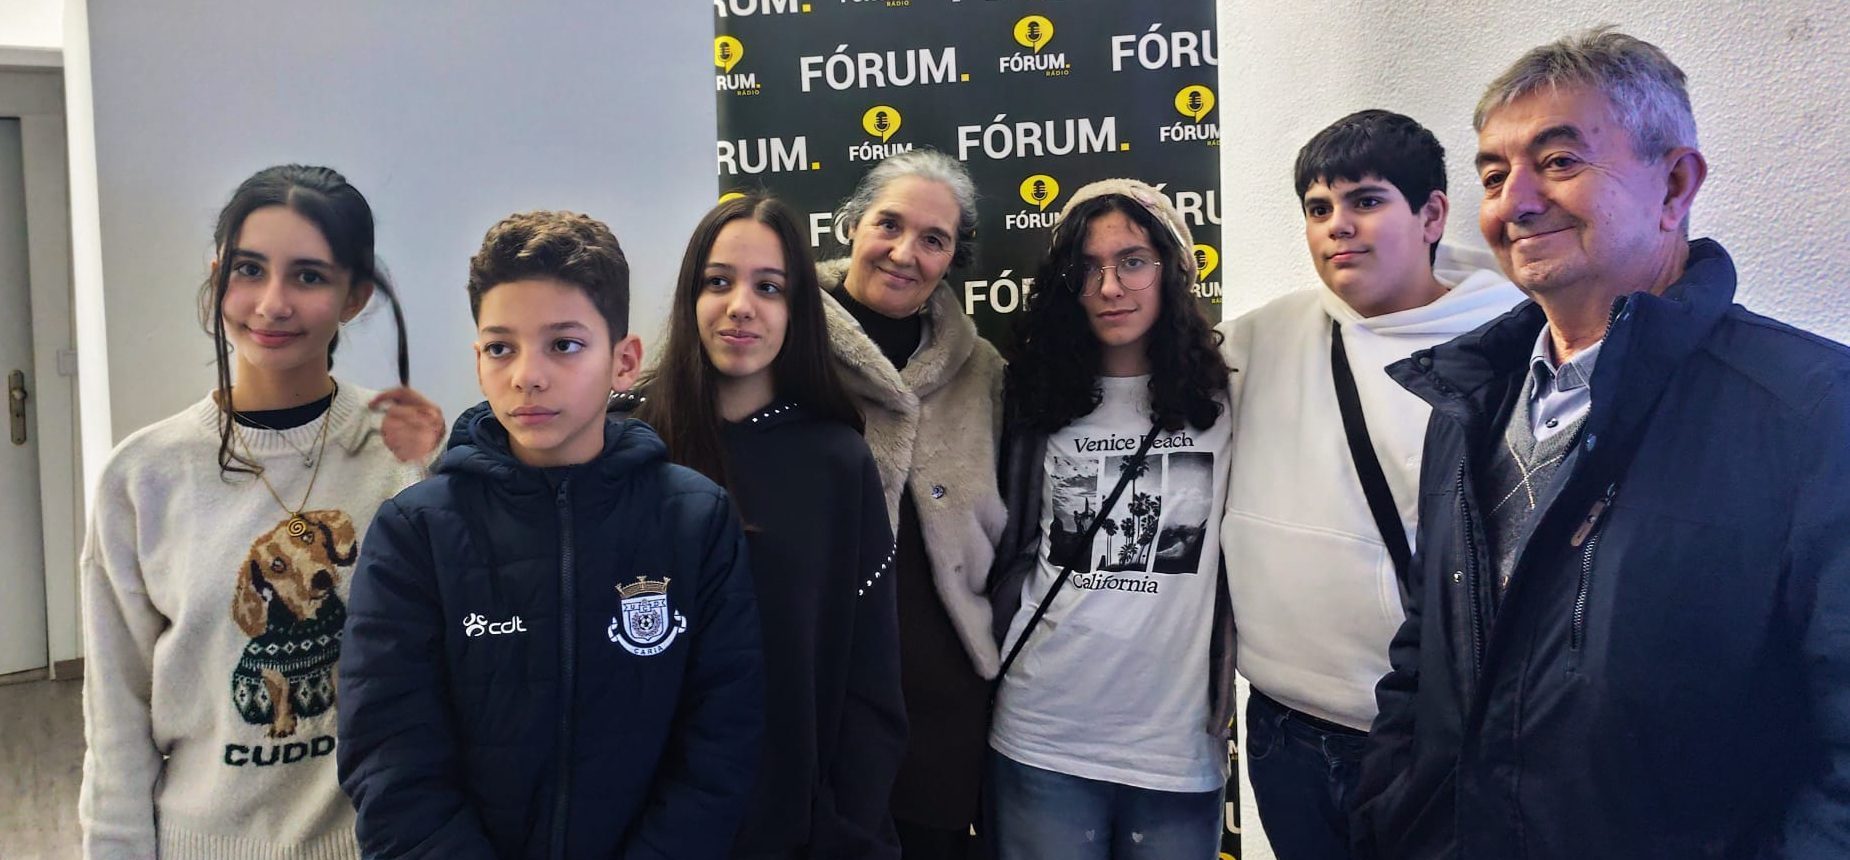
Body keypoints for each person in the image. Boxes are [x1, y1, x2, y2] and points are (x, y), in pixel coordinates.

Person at [1352, 27, 1850, 859]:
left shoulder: (1814, 412)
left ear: (1675, 184)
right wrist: (1393, 812)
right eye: (1493, 176)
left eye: (1558, 162)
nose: (1515, 204)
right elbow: (1425, 653)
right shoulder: (1467, 402)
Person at [336, 210, 764, 858]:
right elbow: (389, 759)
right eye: (501, 348)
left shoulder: (696, 520)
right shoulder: (415, 533)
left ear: (624, 362)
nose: (526, 375)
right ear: (478, 359)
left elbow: (722, 741)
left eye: (563, 345)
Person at [79, 164, 442, 858]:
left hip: (377, 843)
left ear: (354, 297)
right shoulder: (142, 477)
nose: (272, 304)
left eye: (308, 276)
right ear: (218, 275)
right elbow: (116, 717)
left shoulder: (403, 458)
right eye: (250, 270)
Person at [1217, 111, 1523, 859]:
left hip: (1425, 734)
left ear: (1432, 215)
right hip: (1282, 727)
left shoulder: (1511, 347)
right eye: (1319, 208)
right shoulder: (1258, 339)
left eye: (1366, 200)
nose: (1338, 226)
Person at [631, 194, 906, 858]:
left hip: (791, 829)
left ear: (797, 309)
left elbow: (869, 682)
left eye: (769, 287)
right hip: (642, 827)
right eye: (718, 282)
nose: (741, 306)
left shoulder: (838, 461)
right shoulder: (628, 447)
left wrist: (844, 826)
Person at [988, 178, 1235, 859]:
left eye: (1133, 262)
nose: (1109, 287)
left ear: (1172, 269)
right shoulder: (1030, 400)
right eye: (1087, 268)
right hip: (1042, 732)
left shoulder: (1228, 398)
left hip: (1177, 748)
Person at [819, 149, 1004, 856]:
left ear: (953, 258)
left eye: (934, 239)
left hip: (940, 706)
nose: (905, 253)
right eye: (889, 224)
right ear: (851, 224)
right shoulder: (776, 336)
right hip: (813, 692)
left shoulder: (984, 372)